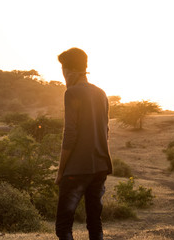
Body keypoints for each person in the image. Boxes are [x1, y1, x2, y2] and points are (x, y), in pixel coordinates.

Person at [54, 48, 112, 240]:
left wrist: (61, 171)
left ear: (69, 69)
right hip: (100, 167)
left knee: (63, 227)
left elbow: (70, 134)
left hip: (77, 170)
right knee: (95, 223)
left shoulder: (72, 93)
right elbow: (106, 131)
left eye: (63, 68)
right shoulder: (101, 93)